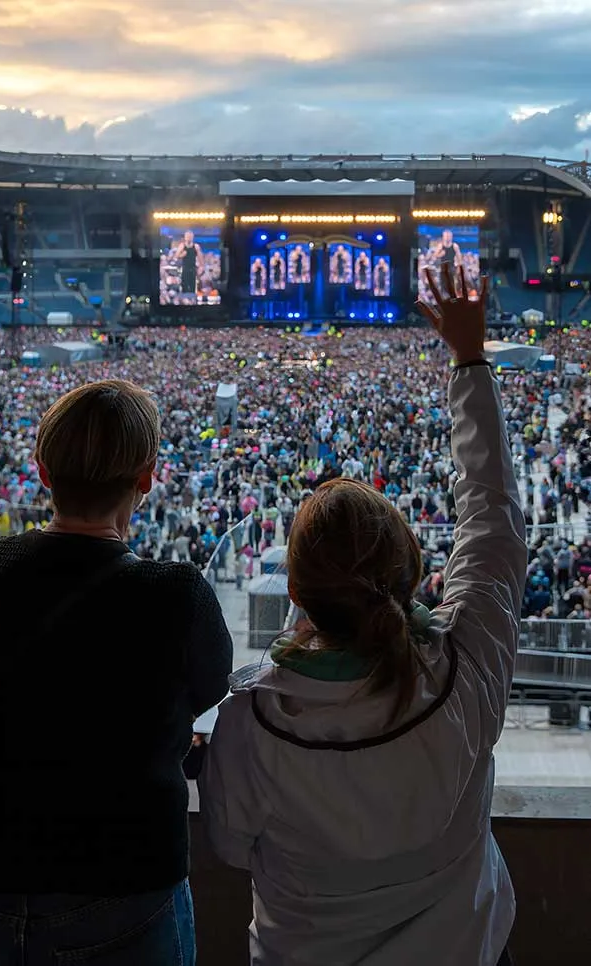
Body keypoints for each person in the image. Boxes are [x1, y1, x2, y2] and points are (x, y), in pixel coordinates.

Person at [199, 265, 526, 966]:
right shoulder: (467, 674)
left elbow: (228, 845)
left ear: (297, 591)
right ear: (410, 568)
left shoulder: (253, 717)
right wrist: (470, 361)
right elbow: (493, 520)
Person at [0, 379, 233, 966]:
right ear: (146, 478)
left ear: (42, 473)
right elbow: (210, 688)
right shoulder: (176, 593)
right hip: (123, 884)